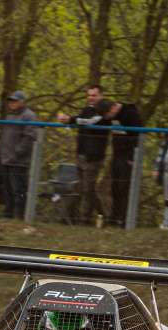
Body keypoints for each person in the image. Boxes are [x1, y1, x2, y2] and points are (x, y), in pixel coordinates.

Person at [56, 85, 110, 225]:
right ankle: (72, 217)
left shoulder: (105, 110)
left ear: (101, 95)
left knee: (88, 189)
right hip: (81, 154)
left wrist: (70, 119)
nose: (91, 98)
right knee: (81, 188)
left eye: (94, 95)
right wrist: (66, 121)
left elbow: (89, 122)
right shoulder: (86, 109)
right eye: (89, 95)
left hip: (94, 157)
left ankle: (89, 218)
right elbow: (78, 121)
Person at [105, 99, 144, 226]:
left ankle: (125, 218)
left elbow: (138, 136)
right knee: (115, 186)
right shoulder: (114, 116)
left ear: (113, 108)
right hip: (117, 154)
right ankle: (114, 216)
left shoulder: (131, 114)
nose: (110, 118)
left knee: (125, 187)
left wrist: (132, 157)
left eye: (109, 115)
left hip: (128, 156)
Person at [0, 90, 37, 218]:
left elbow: (29, 137)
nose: (12, 103)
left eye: (14, 100)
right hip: (6, 158)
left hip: (19, 161)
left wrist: (18, 152)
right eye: (10, 100)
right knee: (7, 189)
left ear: (22, 102)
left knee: (19, 190)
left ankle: (19, 216)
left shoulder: (29, 116)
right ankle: (8, 215)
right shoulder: (9, 116)